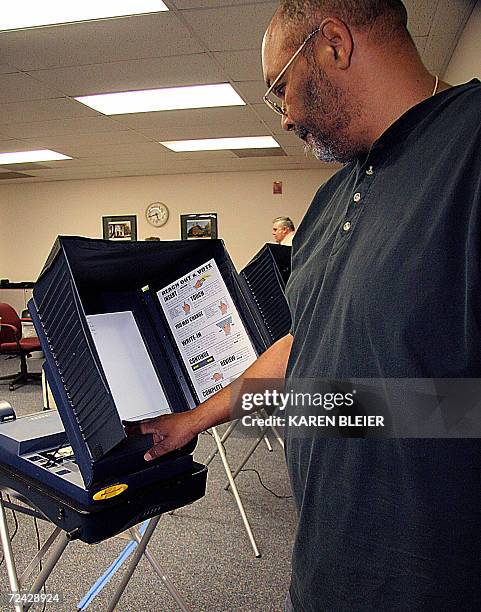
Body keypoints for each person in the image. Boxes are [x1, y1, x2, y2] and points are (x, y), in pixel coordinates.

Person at [126, 1, 481, 609]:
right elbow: (304, 346)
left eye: (280, 89)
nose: (285, 117)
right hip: (328, 563)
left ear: (334, 45)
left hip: (436, 578)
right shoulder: (328, 202)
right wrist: (195, 420)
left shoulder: (470, 143)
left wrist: (328, 408)